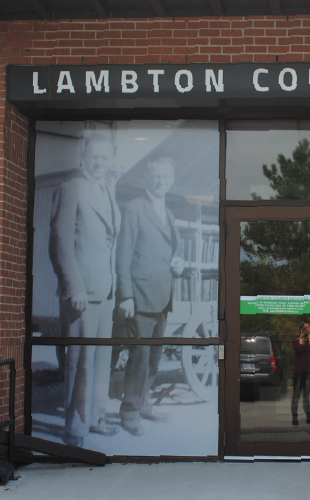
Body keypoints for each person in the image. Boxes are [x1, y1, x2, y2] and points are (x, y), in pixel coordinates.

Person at [49, 133, 123, 447]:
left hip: (105, 293)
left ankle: (95, 417)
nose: (98, 162)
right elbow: (60, 243)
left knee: (100, 361)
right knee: (79, 363)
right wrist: (73, 286)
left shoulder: (109, 191)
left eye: (104, 158)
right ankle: (75, 427)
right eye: (93, 156)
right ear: (84, 157)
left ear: (111, 162)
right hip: (81, 294)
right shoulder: (70, 189)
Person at [114, 157, 186, 436]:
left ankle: (144, 404)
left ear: (171, 179)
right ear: (148, 179)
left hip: (162, 297)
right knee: (140, 356)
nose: (161, 181)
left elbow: (170, 252)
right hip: (140, 297)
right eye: (156, 177)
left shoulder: (168, 212)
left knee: (155, 356)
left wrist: (178, 265)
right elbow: (123, 257)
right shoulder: (134, 208)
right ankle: (129, 411)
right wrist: (126, 296)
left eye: (166, 177)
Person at [291, 321, 310, 426]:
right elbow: (300, 348)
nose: (307, 329)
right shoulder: (295, 340)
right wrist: (302, 335)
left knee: (306, 396)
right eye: (305, 328)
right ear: (300, 329)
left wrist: (309, 334)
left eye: (308, 328)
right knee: (296, 395)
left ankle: (308, 417)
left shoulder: (308, 340)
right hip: (298, 372)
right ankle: (294, 417)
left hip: (307, 372)